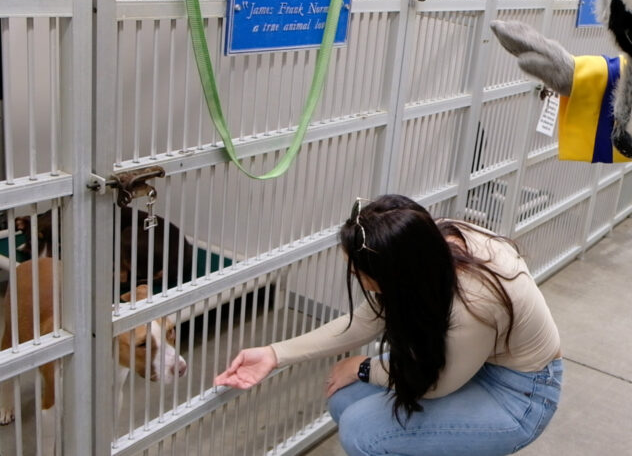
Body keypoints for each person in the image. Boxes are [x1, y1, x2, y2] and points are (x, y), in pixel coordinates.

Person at [214, 194, 563, 456]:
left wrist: (363, 366)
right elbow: (365, 321)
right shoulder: (422, 246)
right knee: (345, 398)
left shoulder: (474, 301)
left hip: (520, 394)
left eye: (358, 271)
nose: (353, 275)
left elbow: (434, 385)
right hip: (473, 362)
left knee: (364, 431)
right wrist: (275, 354)